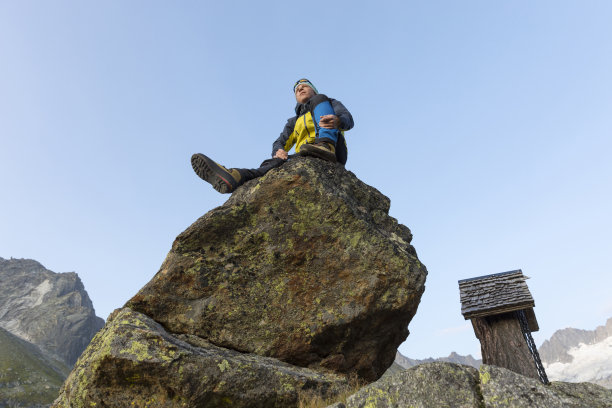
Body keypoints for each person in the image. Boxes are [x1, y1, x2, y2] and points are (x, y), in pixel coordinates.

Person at [191, 78, 354, 193]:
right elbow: (280, 142)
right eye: (297, 90)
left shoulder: (327, 103)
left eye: (304, 86)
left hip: (334, 150)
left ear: (313, 89)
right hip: (307, 154)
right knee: (273, 163)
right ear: (296, 98)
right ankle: (235, 177)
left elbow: (348, 119)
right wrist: (279, 152)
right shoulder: (294, 121)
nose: (300, 89)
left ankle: (325, 144)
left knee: (320, 99)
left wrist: (338, 121)